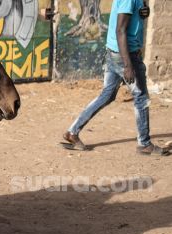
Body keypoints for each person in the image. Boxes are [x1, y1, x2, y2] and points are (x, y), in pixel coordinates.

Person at [62, 0, 168, 156]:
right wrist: (128, 65)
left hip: (115, 52)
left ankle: (72, 132)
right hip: (125, 55)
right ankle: (144, 144)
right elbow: (120, 30)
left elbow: (136, 16)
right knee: (141, 97)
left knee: (107, 94)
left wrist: (145, 11)